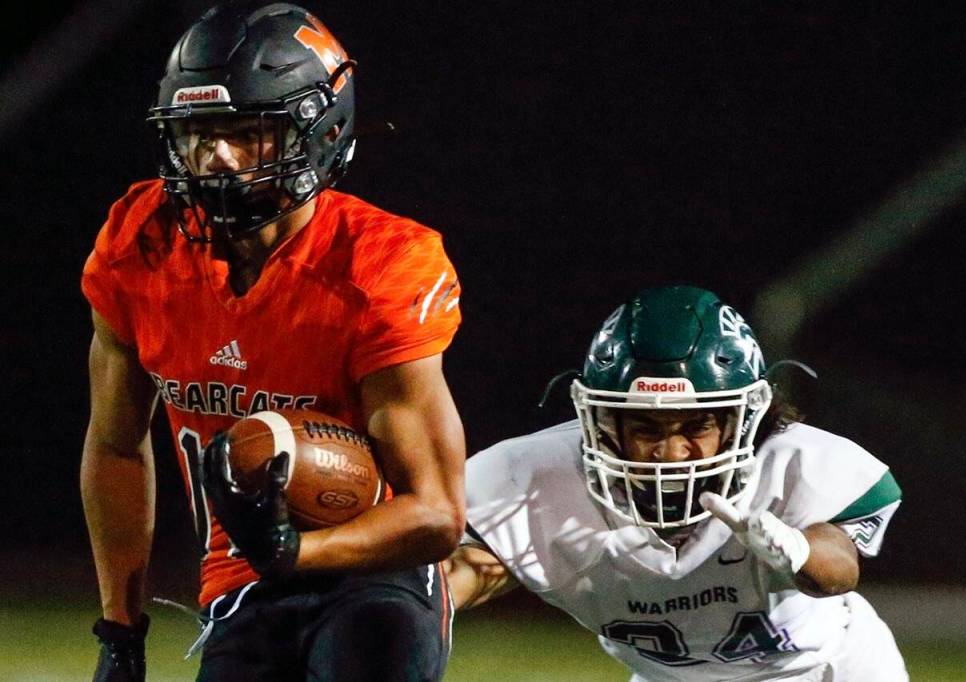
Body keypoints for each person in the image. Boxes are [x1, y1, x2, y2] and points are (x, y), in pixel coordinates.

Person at [80, 2, 465, 680]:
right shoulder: (140, 243)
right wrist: (119, 630)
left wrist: (299, 553)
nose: (216, 157)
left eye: (246, 132)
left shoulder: (379, 264)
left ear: (320, 131)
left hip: (376, 574)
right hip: (243, 580)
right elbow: (114, 445)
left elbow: (435, 514)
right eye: (198, 133)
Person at [446, 284, 908, 681]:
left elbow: (839, 570)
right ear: (604, 422)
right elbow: (461, 579)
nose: (670, 452)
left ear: (739, 420)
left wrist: (799, 551)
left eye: (695, 427)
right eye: (646, 428)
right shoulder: (540, 476)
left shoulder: (795, 464)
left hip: (824, 672)